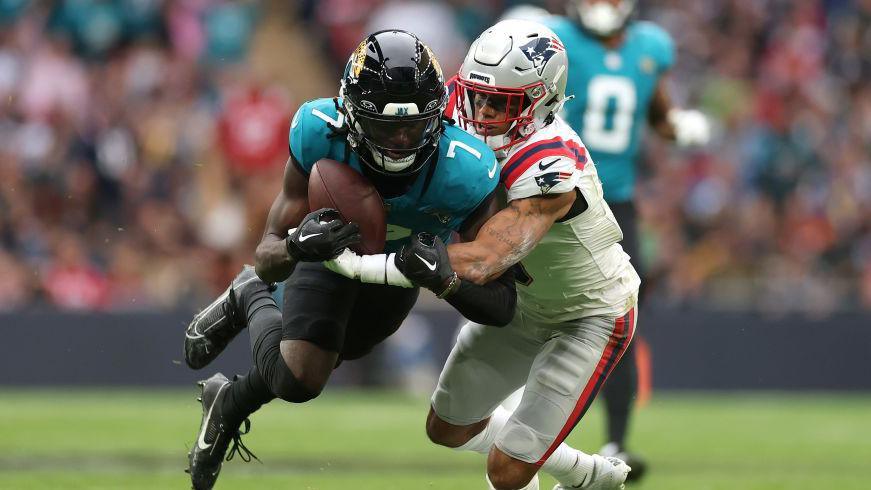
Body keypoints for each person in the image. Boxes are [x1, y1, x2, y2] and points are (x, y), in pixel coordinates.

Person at [181, 30, 519, 490]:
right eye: (385, 125)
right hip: (332, 259)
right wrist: (301, 245)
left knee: (348, 350)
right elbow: (268, 253)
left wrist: (447, 282)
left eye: (413, 125)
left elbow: (503, 304)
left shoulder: (468, 170)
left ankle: (229, 400)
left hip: (398, 272)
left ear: (437, 119)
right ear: (352, 115)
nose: (400, 140)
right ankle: (249, 295)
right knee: (302, 377)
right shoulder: (318, 130)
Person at [328, 19, 639, 490]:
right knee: (446, 428)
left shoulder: (552, 162)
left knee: (507, 470)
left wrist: (361, 265)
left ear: (542, 101)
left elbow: (489, 257)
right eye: (478, 94)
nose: (483, 111)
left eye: (503, 103)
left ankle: (582, 476)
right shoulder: (455, 102)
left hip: (588, 313)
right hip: (521, 309)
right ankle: (585, 475)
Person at [542, 0, 710, 479]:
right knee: (527, 312)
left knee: (620, 324)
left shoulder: (651, 47)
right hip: (550, 190)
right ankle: (514, 429)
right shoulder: (556, 38)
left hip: (615, 204)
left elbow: (657, 112)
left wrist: (676, 126)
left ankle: (617, 439)